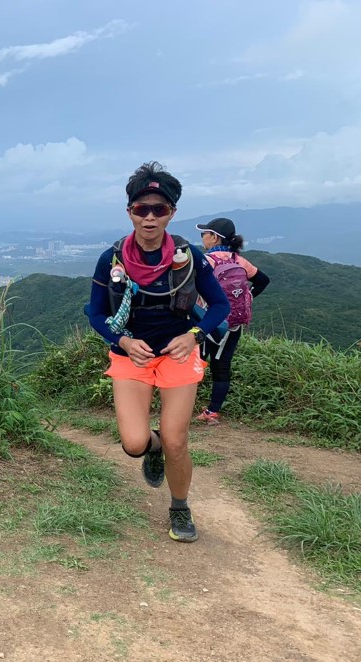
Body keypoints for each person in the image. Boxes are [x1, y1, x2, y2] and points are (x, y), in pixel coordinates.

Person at [85, 162, 230, 543]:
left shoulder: (190, 256)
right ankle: (152, 450)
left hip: (178, 354)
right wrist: (124, 343)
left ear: (172, 213)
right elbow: (95, 314)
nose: (150, 217)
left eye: (159, 209)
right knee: (134, 443)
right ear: (130, 211)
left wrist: (195, 336)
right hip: (132, 355)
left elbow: (219, 307)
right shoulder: (111, 259)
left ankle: (180, 507)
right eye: (141, 209)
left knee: (177, 439)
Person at [194, 217, 271, 425]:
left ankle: (180, 408)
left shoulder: (206, 261)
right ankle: (212, 413)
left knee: (194, 363)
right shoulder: (239, 260)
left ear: (214, 237)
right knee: (222, 366)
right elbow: (263, 280)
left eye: (205, 233)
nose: (202, 237)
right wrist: (249, 297)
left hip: (208, 321)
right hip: (234, 323)